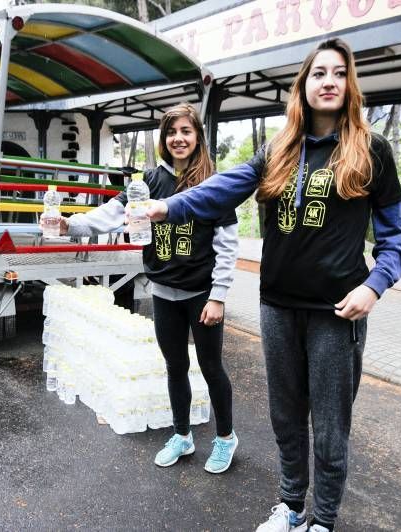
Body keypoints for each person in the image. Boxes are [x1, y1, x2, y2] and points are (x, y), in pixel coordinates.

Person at [147, 39, 401, 531]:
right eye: (318, 73)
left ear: (349, 84)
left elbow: (395, 238)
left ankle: (322, 521)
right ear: (303, 86)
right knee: (286, 419)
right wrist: (168, 206)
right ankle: (290, 506)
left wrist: (373, 287)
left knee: (330, 429)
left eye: (338, 73)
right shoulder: (279, 149)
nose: (328, 81)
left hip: (336, 313)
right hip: (277, 307)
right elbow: (224, 186)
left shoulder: (371, 150)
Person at [43, 102, 241, 474]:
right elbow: (107, 217)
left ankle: (225, 439)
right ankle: (182, 435)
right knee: (175, 366)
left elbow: (227, 245)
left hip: (202, 296)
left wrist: (219, 296)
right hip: (164, 292)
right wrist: (69, 225)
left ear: (197, 136)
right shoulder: (147, 182)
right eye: (171, 132)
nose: (178, 138)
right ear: (163, 139)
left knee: (211, 367)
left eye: (186, 131)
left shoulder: (215, 184)